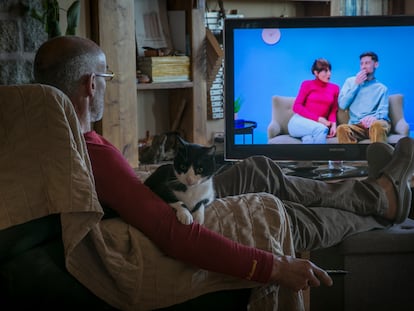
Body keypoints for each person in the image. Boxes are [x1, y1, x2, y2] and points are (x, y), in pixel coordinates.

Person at [33, 36, 414, 306]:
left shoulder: (57, 139)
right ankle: (382, 200)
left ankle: (380, 195)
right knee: (288, 215)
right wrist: (275, 266)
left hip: (163, 204)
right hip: (166, 225)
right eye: (106, 78)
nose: (106, 87)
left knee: (261, 168)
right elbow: (171, 235)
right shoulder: (92, 153)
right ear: (88, 85)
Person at [337, 51, 390, 143]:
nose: (363, 66)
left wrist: (374, 118)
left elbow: (383, 112)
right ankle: (350, 158)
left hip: (375, 123)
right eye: (361, 63)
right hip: (356, 125)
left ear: (376, 64)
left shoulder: (382, 88)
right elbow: (342, 105)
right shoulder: (350, 82)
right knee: (342, 129)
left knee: (377, 125)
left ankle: (378, 157)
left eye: (367, 63)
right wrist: (356, 85)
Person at [288, 58, 339, 143]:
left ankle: (311, 156)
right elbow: (296, 106)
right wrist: (318, 119)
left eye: (330, 70)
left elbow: (333, 110)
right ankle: (322, 156)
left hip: (315, 126)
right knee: (322, 129)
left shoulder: (335, 88)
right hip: (299, 121)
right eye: (325, 71)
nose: (329, 74)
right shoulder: (307, 84)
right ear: (316, 72)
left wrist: (334, 125)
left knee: (308, 140)